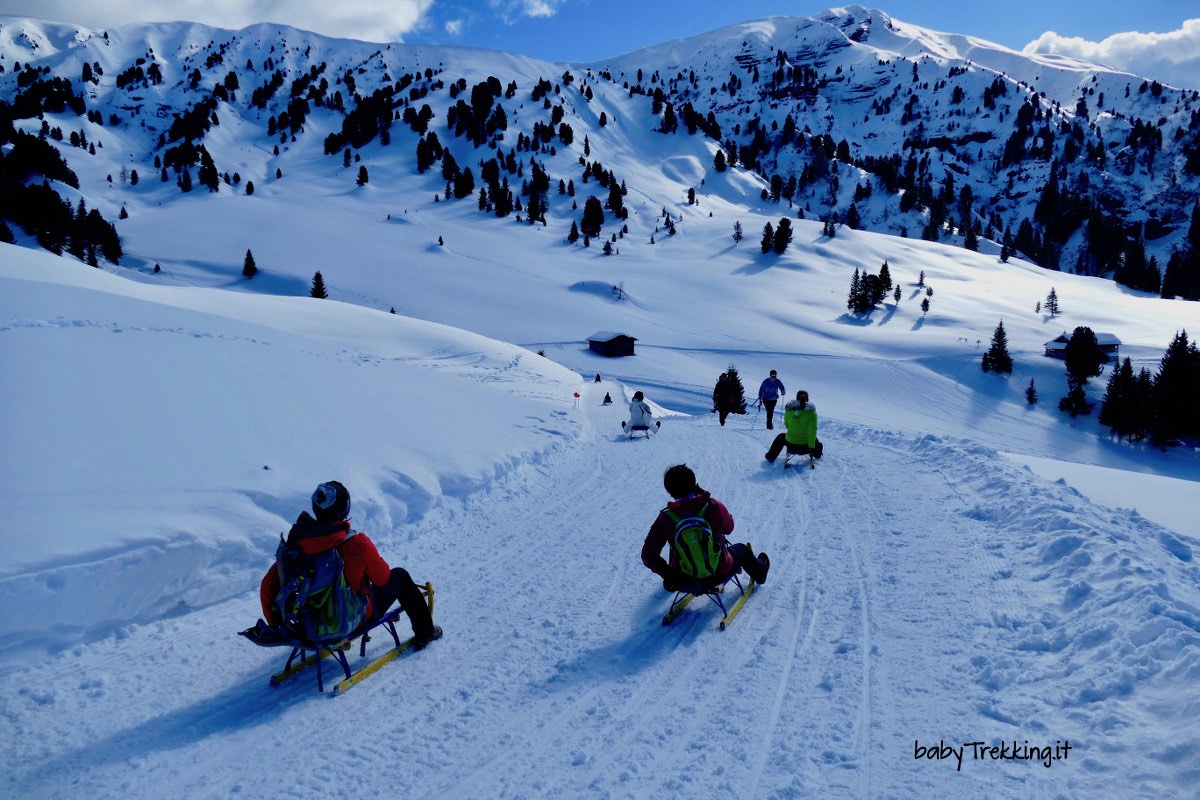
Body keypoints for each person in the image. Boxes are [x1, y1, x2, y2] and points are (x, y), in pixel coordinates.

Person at [258, 481, 442, 649]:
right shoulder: (356, 544)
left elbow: (268, 586)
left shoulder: (297, 545)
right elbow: (382, 578)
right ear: (345, 509)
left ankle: (325, 629)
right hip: (351, 621)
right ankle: (426, 632)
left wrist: (277, 624)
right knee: (399, 576)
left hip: (309, 624)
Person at [641, 464, 769, 591]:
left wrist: (670, 575)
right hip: (719, 571)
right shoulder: (713, 506)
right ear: (694, 483)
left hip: (684, 578)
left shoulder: (665, 518)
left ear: (669, 491)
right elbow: (729, 528)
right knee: (742, 549)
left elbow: (648, 555)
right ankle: (761, 573)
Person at [765, 390, 823, 463]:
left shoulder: (789, 410)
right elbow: (813, 430)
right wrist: (811, 446)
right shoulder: (812, 412)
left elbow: (787, 425)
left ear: (797, 398)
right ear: (807, 399)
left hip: (791, 445)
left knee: (781, 437)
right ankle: (817, 454)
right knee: (815, 439)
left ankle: (770, 457)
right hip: (806, 447)